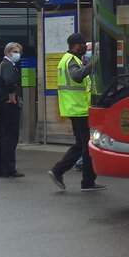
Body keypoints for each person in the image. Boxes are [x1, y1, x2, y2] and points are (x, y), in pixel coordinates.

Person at [47, 32, 106, 191]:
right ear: (76, 45)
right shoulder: (72, 61)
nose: (84, 48)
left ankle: (58, 171)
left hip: (75, 108)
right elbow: (77, 76)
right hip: (79, 109)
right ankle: (87, 182)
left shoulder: (70, 59)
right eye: (82, 45)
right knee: (88, 146)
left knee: (81, 145)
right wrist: (93, 63)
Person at [0, 42, 24, 178]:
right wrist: (12, 98)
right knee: (10, 138)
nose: (18, 54)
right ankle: (9, 169)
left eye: (19, 52)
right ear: (8, 53)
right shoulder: (8, 66)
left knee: (1, 138)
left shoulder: (2, 65)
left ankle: (0, 169)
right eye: (15, 52)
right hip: (8, 106)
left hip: (0, 105)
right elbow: (10, 83)